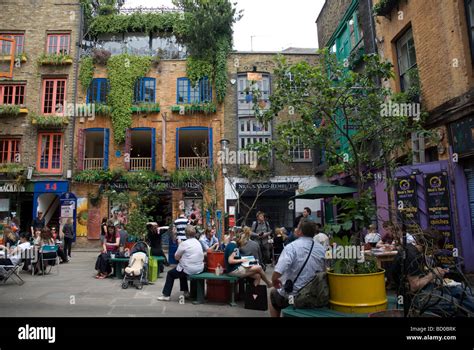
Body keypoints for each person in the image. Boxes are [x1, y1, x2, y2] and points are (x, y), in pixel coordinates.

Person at [391, 230, 474, 316]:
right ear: (430, 244)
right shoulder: (411, 255)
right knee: (454, 304)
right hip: (412, 296)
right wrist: (433, 274)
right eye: (436, 248)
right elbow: (414, 287)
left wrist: (435, 272)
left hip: (425, 288)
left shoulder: (417, 251)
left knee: (461, 292)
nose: (436, 251)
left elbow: (419, 274)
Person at [269, 220, 326, 317]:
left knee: (273, 294)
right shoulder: (321, 249)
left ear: (300, 232)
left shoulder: (291, 247)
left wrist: (274, 280)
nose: (295, 229)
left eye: (297, 227)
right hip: (315, 295)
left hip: (295, 297)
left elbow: (278, 271)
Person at [157, 225, 204, 301]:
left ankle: (166, 295)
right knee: (181, 270)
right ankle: (186, 292)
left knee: (171, 274)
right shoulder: (198, 242)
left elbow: (176, 257)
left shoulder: (184, 244)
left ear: (186, 234)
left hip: (190, 269)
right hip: (199, 268)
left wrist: (179, 244)